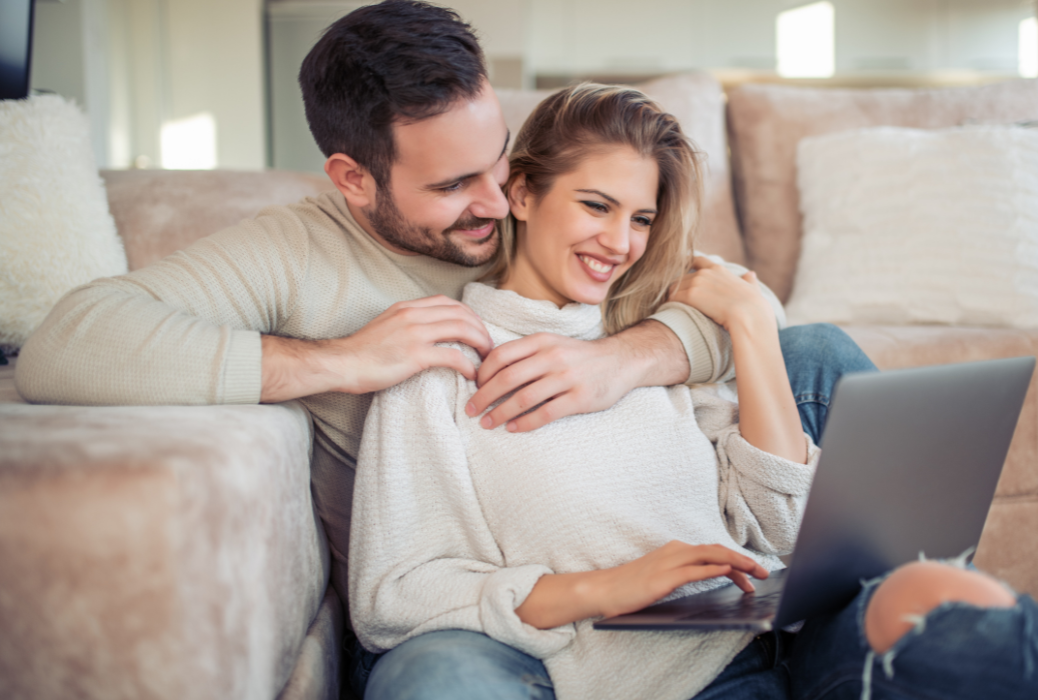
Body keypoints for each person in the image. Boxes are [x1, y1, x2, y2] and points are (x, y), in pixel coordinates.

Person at [14, 0, 872, 654]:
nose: (498, 201)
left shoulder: (551, 213)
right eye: (455, 184)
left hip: (623, 503)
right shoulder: (292, 251)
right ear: (354, 178)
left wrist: (625, 358)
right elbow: (66, 345)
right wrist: (341, 360)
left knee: (820, 355)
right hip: (473, 563)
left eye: (500, 157)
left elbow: (735, 305)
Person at [347, 83, 1038, 700]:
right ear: (521, 193)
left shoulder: (657, 344)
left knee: (938, 590)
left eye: (640, 219)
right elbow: (394, 595)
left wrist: (748, 322)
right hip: (659, 682)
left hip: (774, 641)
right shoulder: (441, 360)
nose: (618, 242)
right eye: (595, 205)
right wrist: (609, 588)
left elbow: (777, 527)